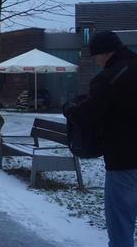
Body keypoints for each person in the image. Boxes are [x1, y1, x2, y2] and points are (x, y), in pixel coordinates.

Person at [64, 30, 137, 247]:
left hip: (125, 159)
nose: (96, 62)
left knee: (121, 221)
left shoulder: (109, 77)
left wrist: (70, 109)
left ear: (105, 53)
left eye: (95, 57)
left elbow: (88, 114)